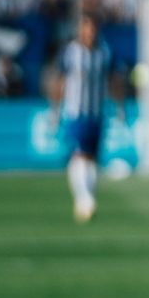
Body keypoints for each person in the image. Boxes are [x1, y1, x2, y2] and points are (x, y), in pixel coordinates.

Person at [51, 15, 111, 222]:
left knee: (92, 159)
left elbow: (114, 78)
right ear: (80, 30)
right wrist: (54, 110)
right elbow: (58, 80)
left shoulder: (104, 52)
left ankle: (86, 201)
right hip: (75, 113)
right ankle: (84, 200)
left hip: (96, 113)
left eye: (93, 29)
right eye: (86, 28)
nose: (90, 33)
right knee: (78, 156)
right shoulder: (70, 52)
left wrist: (120, 106)